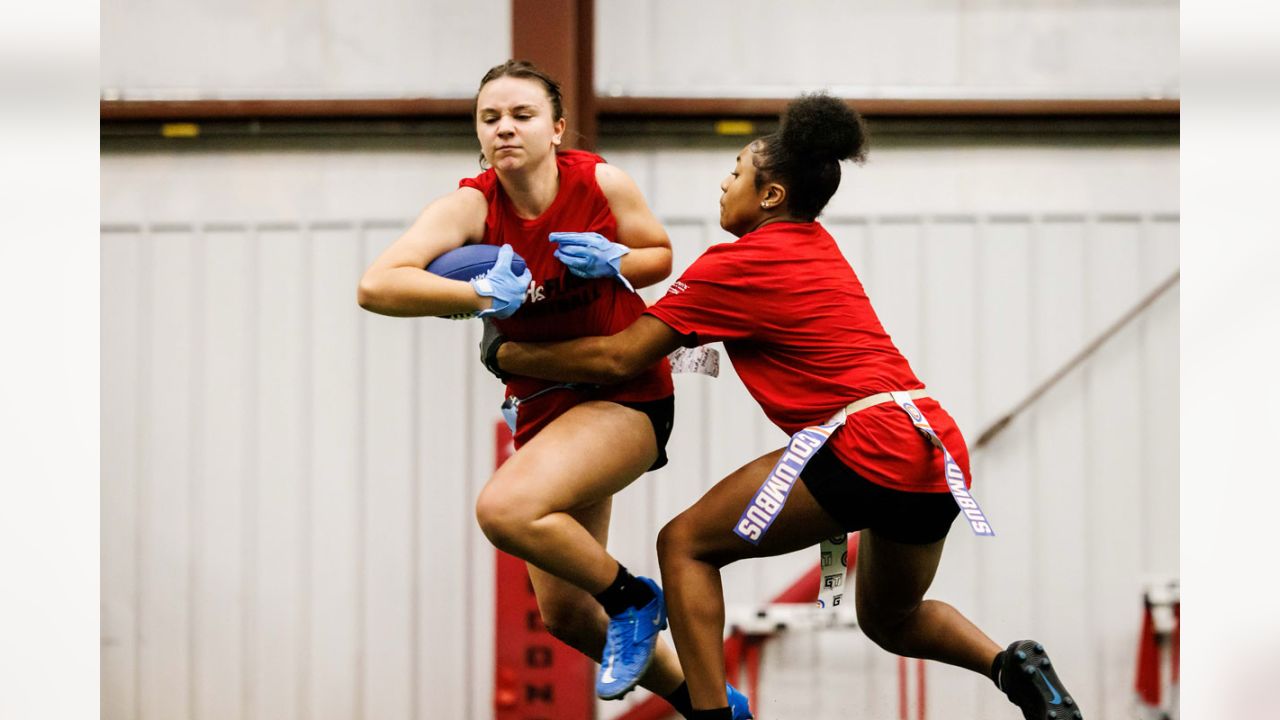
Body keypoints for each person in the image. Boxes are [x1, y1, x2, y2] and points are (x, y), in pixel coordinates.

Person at [481, 93, 1083, 720]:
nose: (724, 182)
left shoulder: (736, 263)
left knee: (684, 544)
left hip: (864, 442)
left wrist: (509, 355)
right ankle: (1011, 664)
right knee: (892, 620)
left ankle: (713, 715)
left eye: (736, 171)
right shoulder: (815, 245)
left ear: (770, 195)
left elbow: (618, 359)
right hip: (933, 448)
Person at [357, 60, 751, 719]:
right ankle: (712, 708)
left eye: (522, 115)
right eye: (490, 119)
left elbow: (658, 252)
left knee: (505, 510)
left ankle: (633, 598)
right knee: (566, 614)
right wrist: (471, 293)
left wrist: (616, 258)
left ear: (556, 128)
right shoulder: (470, 207)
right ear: (479, 136)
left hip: (623, 396)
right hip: (543, 409)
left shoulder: (599, 182)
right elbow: (377, 286)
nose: (505, 129)